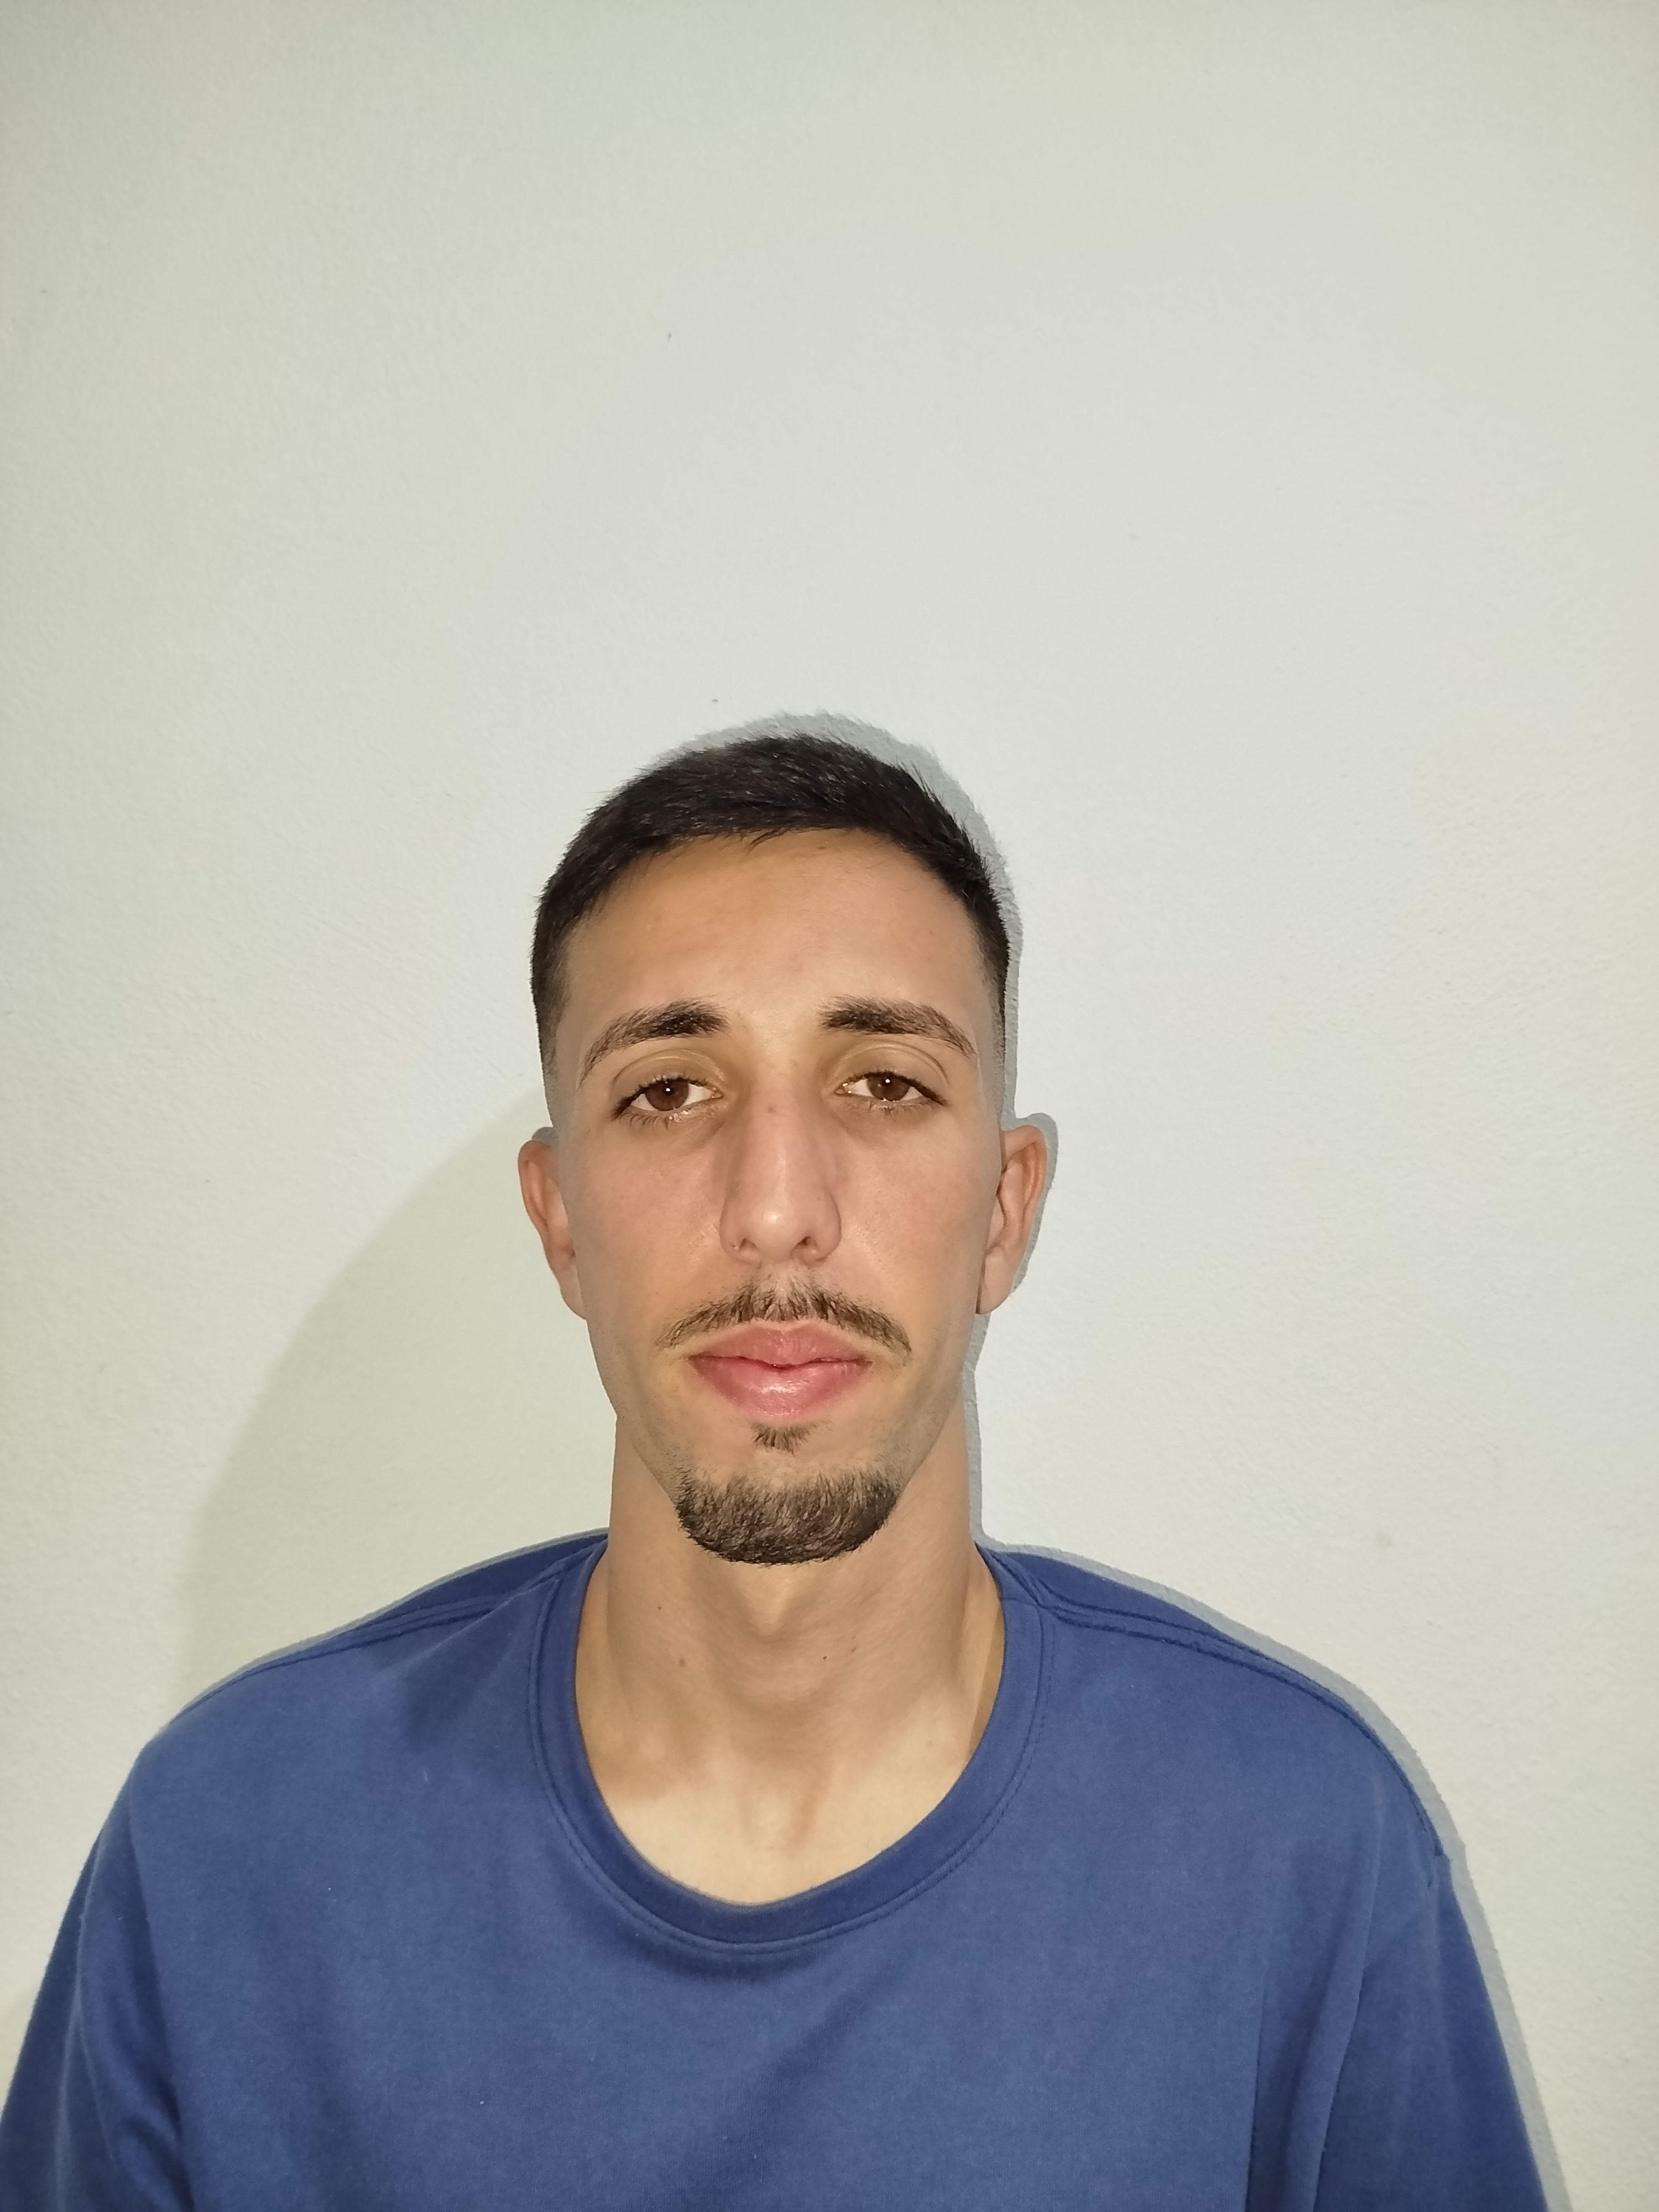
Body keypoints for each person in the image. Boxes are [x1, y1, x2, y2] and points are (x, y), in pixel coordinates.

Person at [1, 727, 1547, 2209]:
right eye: (670, 1090)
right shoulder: (226, 1850)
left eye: (885, 1083)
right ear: (559, 1221)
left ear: (1005, 1212)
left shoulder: (1296, 1850)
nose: (776, 1209)